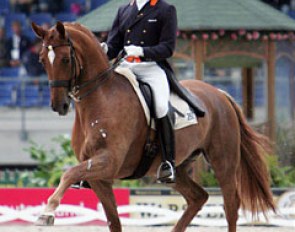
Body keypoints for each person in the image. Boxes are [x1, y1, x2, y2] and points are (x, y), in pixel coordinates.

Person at [102, 0, 178, 183]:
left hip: (151, 67)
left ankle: (168, 162)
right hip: (125, 66)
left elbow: (168, 48)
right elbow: (114, 46)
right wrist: (104, 49)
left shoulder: (165, 9)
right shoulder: (124, 10)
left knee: (160, 106)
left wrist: (142, 51)